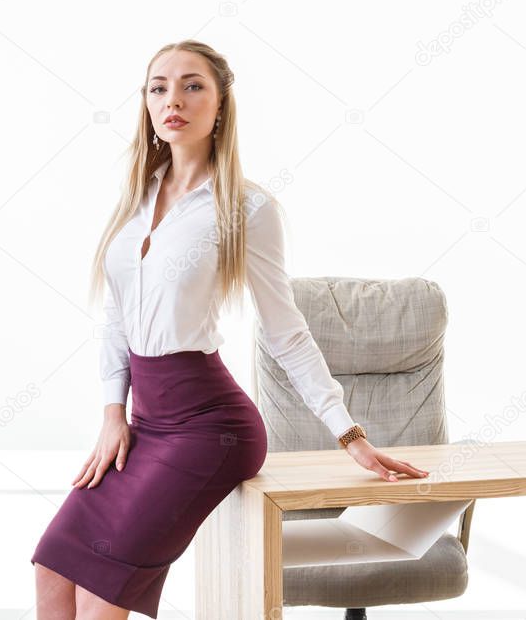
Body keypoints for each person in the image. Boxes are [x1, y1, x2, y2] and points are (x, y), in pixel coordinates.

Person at [30, 39, 429, 619]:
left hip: (209, 430)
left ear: (220, 107)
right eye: (159, 87)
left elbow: (285, 330)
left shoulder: (246, 208)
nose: (174, 99)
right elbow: (117, 317)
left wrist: (350, 435)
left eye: (193, 86)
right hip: (143, 425)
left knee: (100, 595)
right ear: (146, 104)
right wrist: (112, 414)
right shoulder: (136, 199)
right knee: (53, 566)